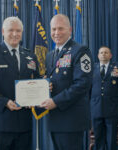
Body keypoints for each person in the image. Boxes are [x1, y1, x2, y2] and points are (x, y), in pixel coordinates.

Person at [0, 16, 39, 150]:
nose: (15, 34)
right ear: (2, 31)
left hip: (24, 125)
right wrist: (4, 101)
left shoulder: (30, 56)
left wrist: (38, 94)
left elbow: (36, 81)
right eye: (11, 30)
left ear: (22, 33)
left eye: (18, 31)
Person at [40, 14, 93, 150]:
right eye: (53, 29)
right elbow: (53, 80)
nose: (56, 33)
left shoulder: (81, 51)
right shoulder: (50, 55)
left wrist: (56, 101)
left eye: (60, 29)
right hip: (55, 119)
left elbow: (82, 85)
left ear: (70, 30)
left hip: (72, 121)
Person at [90, 46, 118, 150]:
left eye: (106, 52)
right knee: (98, 138)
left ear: (110, 55)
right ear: (98, 55)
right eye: (101, 52)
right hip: (96, 108)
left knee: (111, 138)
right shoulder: (92, 68)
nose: (103, 54)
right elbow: (88, 89)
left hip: (112, 109)